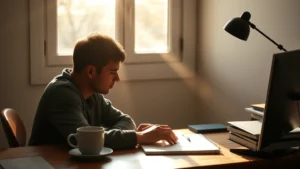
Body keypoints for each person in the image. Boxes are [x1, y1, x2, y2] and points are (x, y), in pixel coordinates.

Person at [29, 33, 178, 149]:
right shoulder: (62, 94)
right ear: (91, 72)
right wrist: (141, 137)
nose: (117, 78)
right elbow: (88, 140)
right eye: (112, 72)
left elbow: (126, 121)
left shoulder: (92, 94)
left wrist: (120, 136)